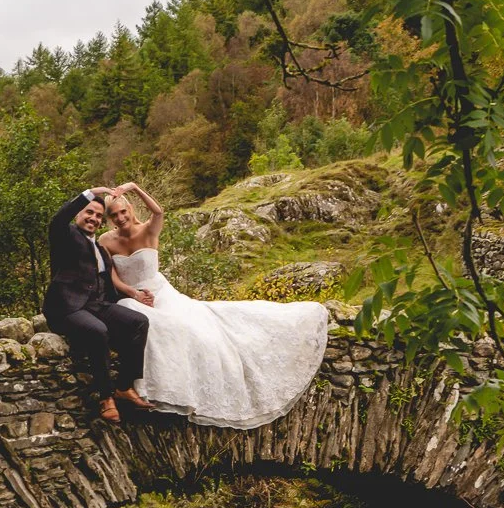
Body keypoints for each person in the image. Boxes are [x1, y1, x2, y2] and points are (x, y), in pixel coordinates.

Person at [97, 182, 329, 428]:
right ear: (109, 218)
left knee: (198, 330)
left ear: (130, 209)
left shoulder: (148, 230)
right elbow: (112, 276)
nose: (120, 218)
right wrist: (133, 293)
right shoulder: (106, 240)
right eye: (114, 215)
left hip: (161, 293)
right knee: (151, 322)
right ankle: (148, 389)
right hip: (132, 295)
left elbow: (158, 211)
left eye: (123, 211)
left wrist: (134, 187)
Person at [43, 185, 154, 422]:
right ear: (78, 214)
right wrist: (92, 192)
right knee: (98, 331)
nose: (93, 218)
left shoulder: (100, 249)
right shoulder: (66, 234)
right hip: (66, 308)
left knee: (138, 322)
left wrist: (135, 296)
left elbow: (108, 283)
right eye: (89, 212)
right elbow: (57, 219)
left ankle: (124, 386)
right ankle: (106, 397)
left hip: (97, 305)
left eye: (98, 215)